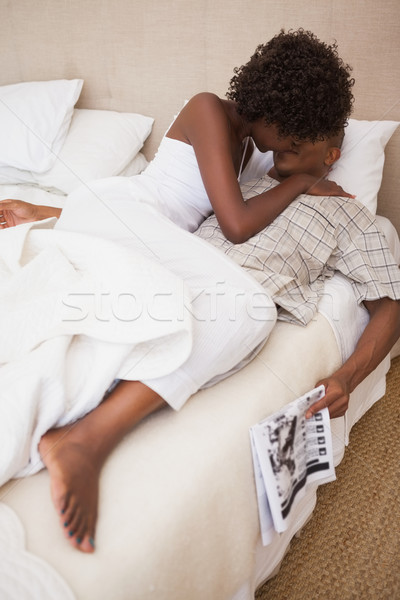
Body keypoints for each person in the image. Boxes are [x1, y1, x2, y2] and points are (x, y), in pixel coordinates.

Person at [1, 129, 400, 556]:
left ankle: (77, 438)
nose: (288, 136)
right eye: (286, 127)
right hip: (163, 271)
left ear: (332, 153)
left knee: (114, 353)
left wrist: (347, 377)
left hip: (230, 300)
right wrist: (49, 210)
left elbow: (390, 303)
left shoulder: (354, 218)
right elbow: (158, 226)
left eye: (306, 132)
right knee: (50, 328)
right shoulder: (243, 186)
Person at [0, 29, 355, 240]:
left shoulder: (250, 145)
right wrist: (302, 183)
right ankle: (52, 214)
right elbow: (237, 225)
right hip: (134, 207)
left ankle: (48, 213)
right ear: (274, 111)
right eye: (291, 136)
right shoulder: (208, 111)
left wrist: (307, 172)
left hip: (155, 229)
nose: (287, 146)